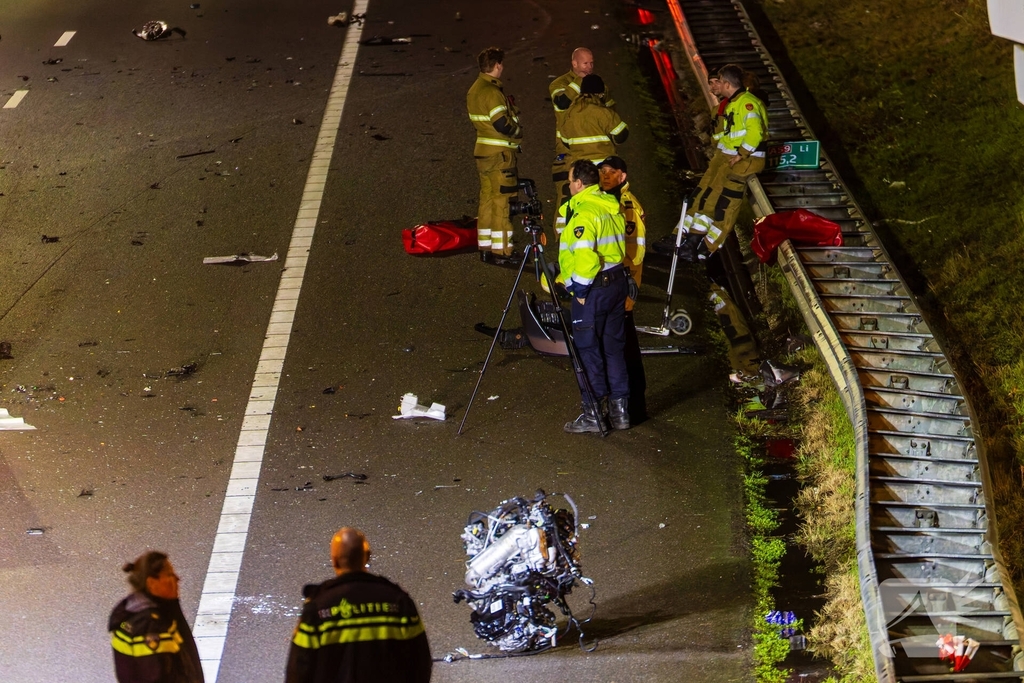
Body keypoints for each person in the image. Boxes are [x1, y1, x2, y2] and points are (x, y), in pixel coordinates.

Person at [285, 527, 432, 683]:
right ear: (367, 557)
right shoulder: (398, 602)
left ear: (334, 560)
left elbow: (299, 669)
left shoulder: (318, 609)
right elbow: (420, 662)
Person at [559, 160, 630, 433]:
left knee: (588, 350)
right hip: (616, 283)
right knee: (613, 349)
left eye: (570, 180)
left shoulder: (585, 213)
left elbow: (586, 257)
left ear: (578, 183)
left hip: (594, 289)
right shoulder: (609, 206)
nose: (568, 185)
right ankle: (621, 413)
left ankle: (593, 414)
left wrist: (579, 289)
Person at [676, 64, 767, 261]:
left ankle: (706, 248)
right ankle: (692, 242)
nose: (714, 88)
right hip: (732, 158)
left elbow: (755, 132)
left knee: (725, 205)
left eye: (719, 82)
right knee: (710, 198)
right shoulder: (734, 103)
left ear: (726, 83)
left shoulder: (746, 103)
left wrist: (740, 154)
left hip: (745, 161)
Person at [598, 156, 647, 423]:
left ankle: (635, 407)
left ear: (622, 176)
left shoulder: (627, 206)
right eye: (602, 171)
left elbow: (634, 252)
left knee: (624, 349)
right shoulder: (604, 201)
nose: (605, 176)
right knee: (616, 348)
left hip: (621, 288)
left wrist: (623, 285)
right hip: (613, 287)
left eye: (611, 172)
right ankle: (624, 407)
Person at [109, 551, 204, 683]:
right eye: (169, 575)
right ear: (152, 583)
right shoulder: (151, 625)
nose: (177, 579)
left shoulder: (138, 609)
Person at [467, 47, 522, 260]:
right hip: (499, 154)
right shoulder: (492, 92)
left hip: (482, 151)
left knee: (487, 198)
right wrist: (517, 131)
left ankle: (486, 246)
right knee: (502, 201)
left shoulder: (474, 89)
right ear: (497, 65)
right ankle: (503, 249)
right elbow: (501, 122)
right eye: (502, 64)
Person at [549, 48, 613, 212]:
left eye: (592, 63)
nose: (589, 67)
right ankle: (562, 237)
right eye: (585, 63)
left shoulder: (598, 85)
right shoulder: (559, 84)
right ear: (574, 63)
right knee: (567, 199)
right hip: (568, 152)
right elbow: (561, 103)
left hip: (596, 153)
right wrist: (580, 81)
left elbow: (610, 112)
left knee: (599, 197)